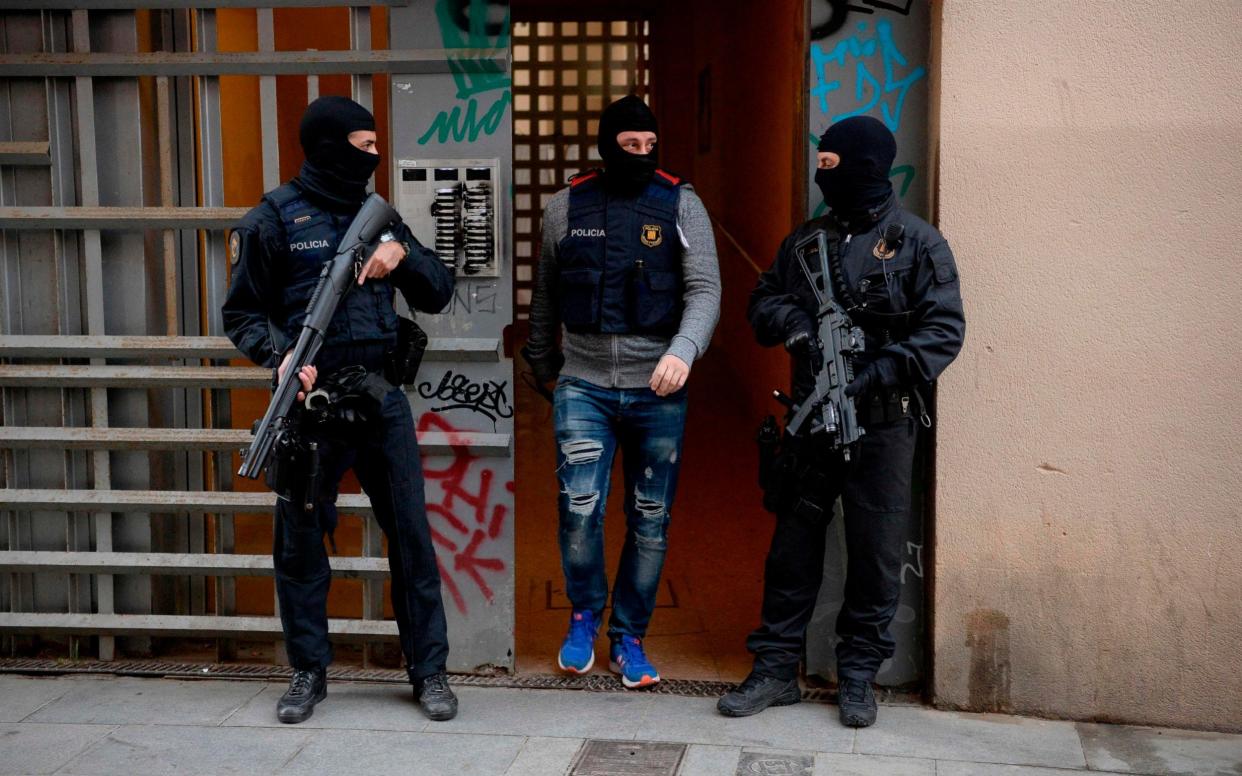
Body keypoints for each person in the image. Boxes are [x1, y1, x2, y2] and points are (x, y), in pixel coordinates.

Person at [717, 116, 965, 727]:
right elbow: (763, 301)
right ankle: (775, 669)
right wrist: (795, 329)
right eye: (819, 166)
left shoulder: (918, 244)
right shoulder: (807, 242)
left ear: (864, 166)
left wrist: (877, 372)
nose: (822, 177)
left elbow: (944, 332)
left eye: (831, 166)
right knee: (792, 548)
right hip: (811, 417)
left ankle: (858, 675)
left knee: (875, 551)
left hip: (882, 421)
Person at [222, 96, 458, 724]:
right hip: (308, 405)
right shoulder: (271, 220)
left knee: (411, 539)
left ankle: (429, 672)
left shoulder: (379, 218)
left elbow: (439, 290)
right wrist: (278, 355)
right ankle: (307, 672)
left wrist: (402, 254)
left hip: (381, 400)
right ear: (327, 147)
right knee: (300, 545)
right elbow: (241, 313)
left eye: (377, 144)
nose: (375, 154)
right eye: (363, 144)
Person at [524, 95, 721, 688]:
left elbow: (706, 290)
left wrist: (681, 352)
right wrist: (542, 364)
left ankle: (629, 636)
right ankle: (583, 615)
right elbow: (546, 297)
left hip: (657, 391)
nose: (639, 154)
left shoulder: (682, 204)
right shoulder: (565, 207)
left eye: (648, 145)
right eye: (628, 145)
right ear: (607, 146)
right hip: (583, 385)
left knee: (650, 519)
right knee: (578, 510)